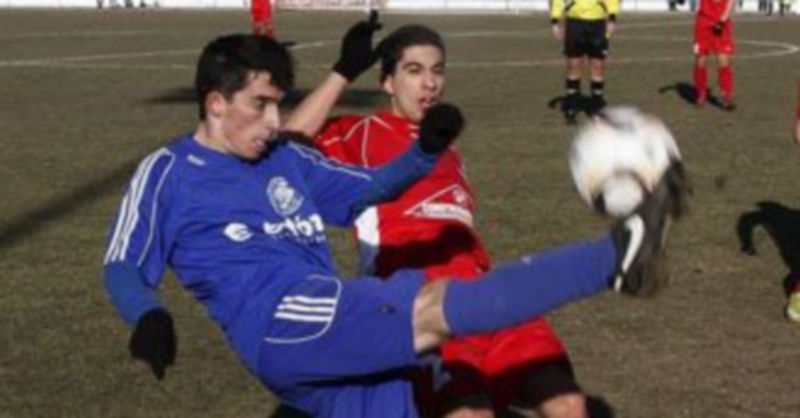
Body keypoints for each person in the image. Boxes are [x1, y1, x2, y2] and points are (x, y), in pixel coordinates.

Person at [103, 20, 686, 418]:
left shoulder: (283, 157)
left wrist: (424, 151)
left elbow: (366, 191)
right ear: (215, 103)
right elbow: (124, 263)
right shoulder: (169, 170)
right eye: (261, 105)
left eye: (278, 102)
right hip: (280, 316)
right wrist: (147, 313)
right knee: (432, 311)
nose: (274, 119)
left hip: (329, 318)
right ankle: (617, 254)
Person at [285, 23, 586, 418]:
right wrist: (343, 70)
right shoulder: (360, 133)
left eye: (437, 70)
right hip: (416, 300)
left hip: (484, 290)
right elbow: (287, 143)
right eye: (414, 71)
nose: (429, 83)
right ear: (388, 82)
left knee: (568, 403)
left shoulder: (447, 143)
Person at [549, 0, 619, 123]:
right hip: (575, 23)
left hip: (598, 24)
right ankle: (572, 103)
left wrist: (612, 17)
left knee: (598, 65)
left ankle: (597, 106)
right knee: (574, 65)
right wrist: (555, 20)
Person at [692, 0, 736, 111]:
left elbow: (731, 2)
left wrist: (722, 21)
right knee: (700, 60)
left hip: (721, 22)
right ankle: (701, 94)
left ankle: (726, 96)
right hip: (703, 22)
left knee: (723, 60)